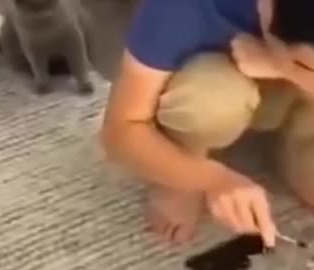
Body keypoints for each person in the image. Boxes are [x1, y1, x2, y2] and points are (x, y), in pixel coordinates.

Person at [100, 0, 314, 248]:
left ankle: (298, 139)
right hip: (215, 79)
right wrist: (211, 180)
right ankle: (182, 159)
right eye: (303, 65)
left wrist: (285, 70)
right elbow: (119, 131)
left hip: (288, 84)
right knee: (211, 99)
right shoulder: (180, 9)